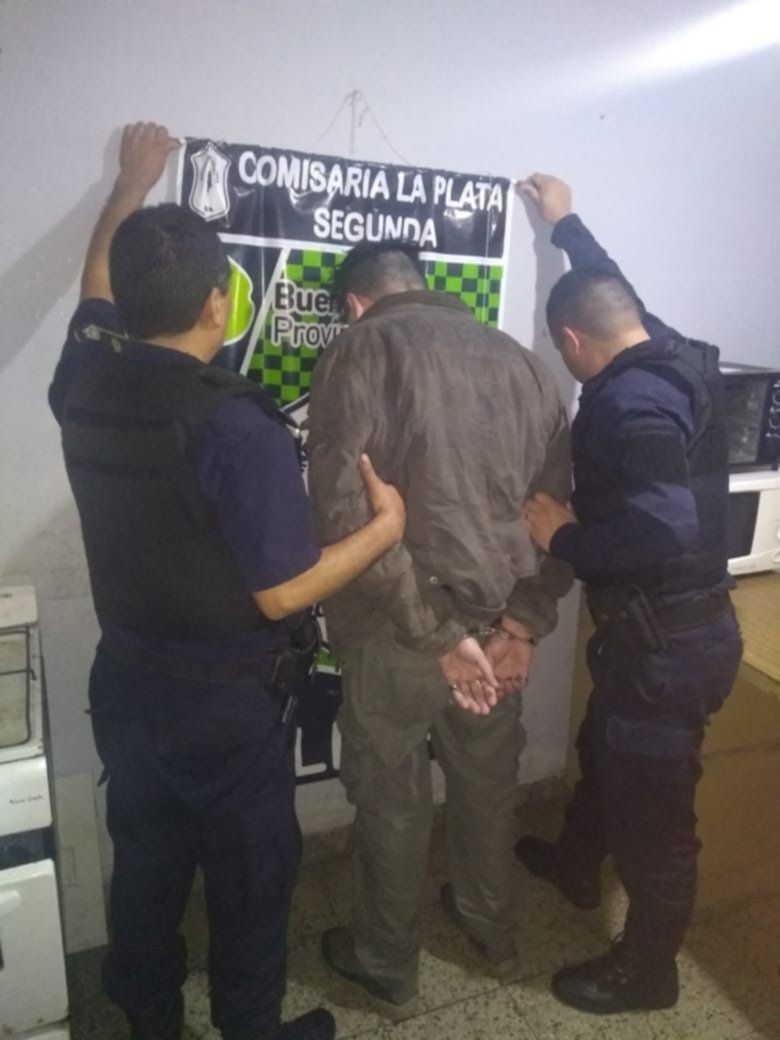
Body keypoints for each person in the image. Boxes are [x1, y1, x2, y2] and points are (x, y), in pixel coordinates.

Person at [49, 123, 407, 1040]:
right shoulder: (237, 426)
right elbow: (284, 593)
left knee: (147, 869)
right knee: (250, 882)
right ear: (219, 304)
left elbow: (94, 289)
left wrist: (128, 187)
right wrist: (384, 529)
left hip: (128, 687)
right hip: (225, 711)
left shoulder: (85, 380)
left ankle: (150, 1021)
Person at [306, 240, 574, 1020]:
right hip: (494, 632)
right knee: (488, 787)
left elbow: (341, 514)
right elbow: (558, 513)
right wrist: (522, 625)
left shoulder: (358, 351)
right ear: (421, 286)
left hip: (397, 630)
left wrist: (435, 631)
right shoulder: (524, 365)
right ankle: (494, 931)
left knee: (391, 799)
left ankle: (387, 965)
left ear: (356, 303)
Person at [517, 174, 743, 1015]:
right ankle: (578, 865)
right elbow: (611, 285)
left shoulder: (633, 404)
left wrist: (562, 538)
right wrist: (565, 224)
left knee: (655, 818)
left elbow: (665, 527)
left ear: (573, 341)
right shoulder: (661, 345)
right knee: (605, 753)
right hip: (658, 636)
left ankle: (649, 971)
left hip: (669, 646)